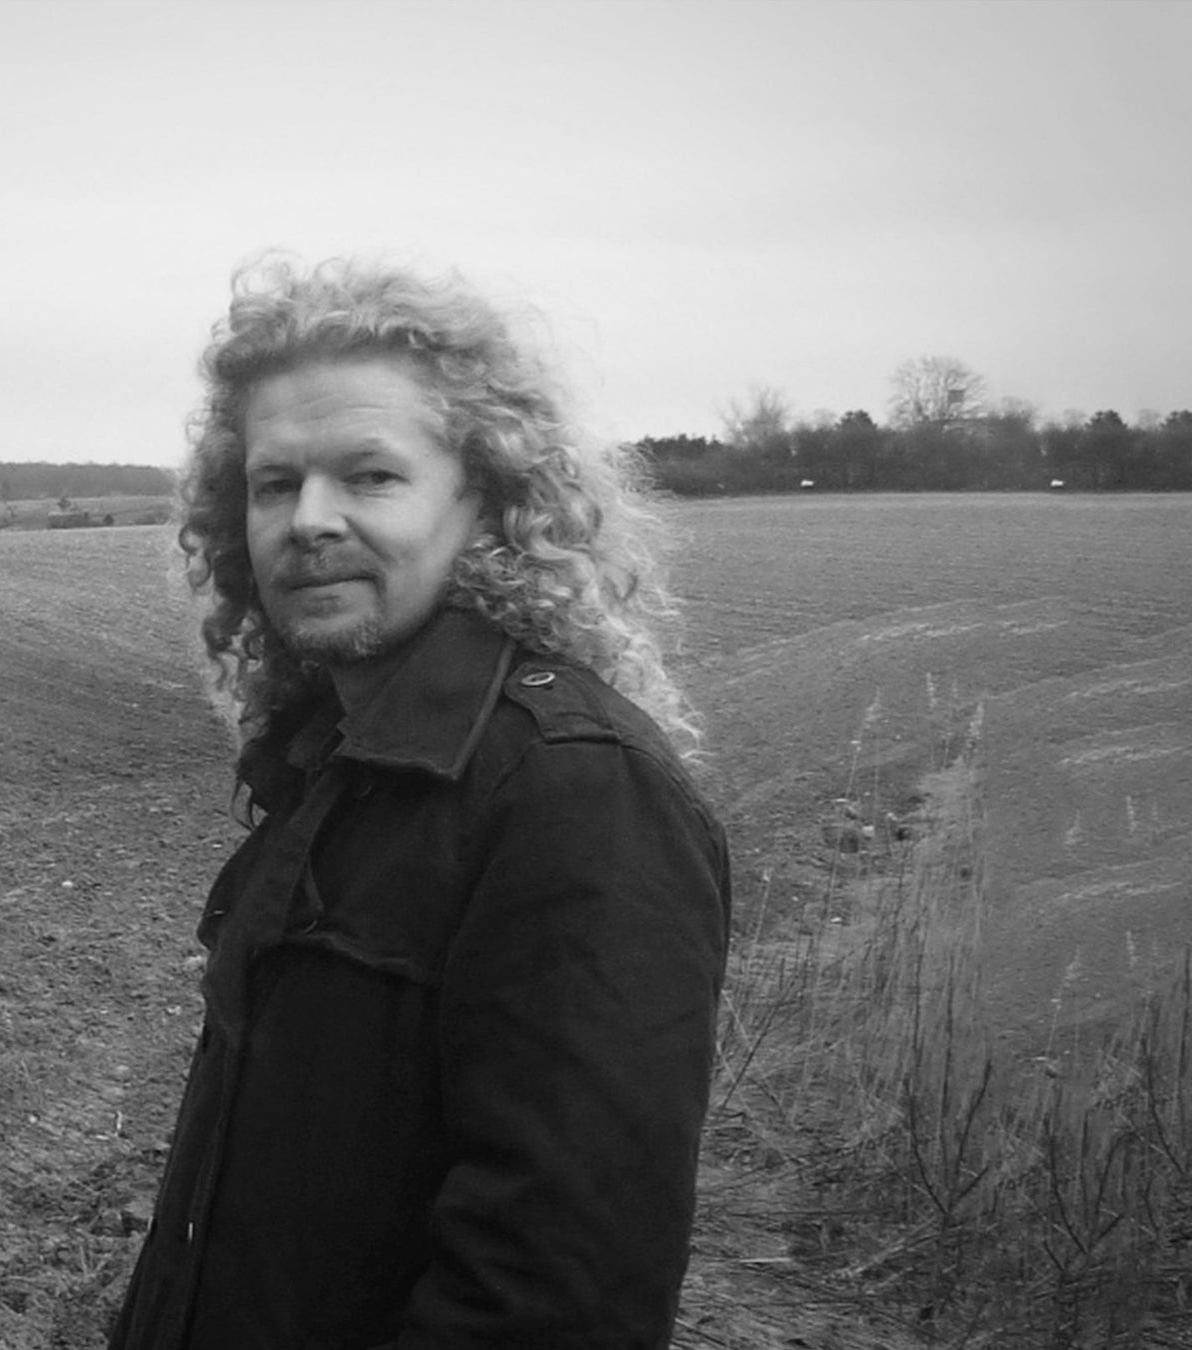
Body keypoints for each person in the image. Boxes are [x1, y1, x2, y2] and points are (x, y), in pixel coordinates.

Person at [110, 257, 731, 1349]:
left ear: (485, 498)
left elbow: (555, 1301)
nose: (308, 521)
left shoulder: (575, 792)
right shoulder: (331, 759)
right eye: (273, 483)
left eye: (370, 476)